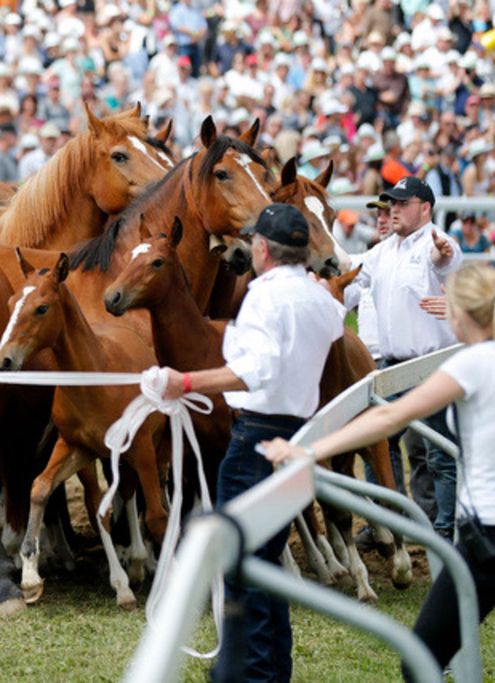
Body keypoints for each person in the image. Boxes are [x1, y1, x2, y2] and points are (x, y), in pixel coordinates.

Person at [263, 261, 495, 680]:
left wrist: (311, 449)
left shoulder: (471, 364)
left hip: (487, 539)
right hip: (483, 538)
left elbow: (387, 419)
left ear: (458, 314)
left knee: (421, 659)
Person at [162, 204, 347, 682]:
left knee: (244, 562)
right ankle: (262, 668)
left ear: (262, 248)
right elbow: (332, 323)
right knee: (265, 560)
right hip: (293, 434)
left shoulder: (265, 297)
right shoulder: (317, 296)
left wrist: (184, 381)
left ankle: (250, 673)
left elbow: (256, 369)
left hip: (258, 437)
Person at [346, 176, 463, 540]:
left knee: (439, 453)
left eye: (402, 203)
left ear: (425, 208)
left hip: (433, 366)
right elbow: (350, 278)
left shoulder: (438, 243)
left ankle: (444, 532)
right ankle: (391, 523)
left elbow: (444, 260)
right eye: (391, 204)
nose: (393, 209)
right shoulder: (381, 251)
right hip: (393, 366)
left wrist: (442, 256)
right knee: (381, 445)